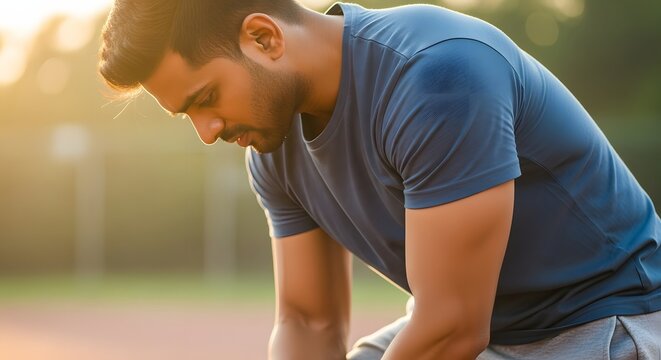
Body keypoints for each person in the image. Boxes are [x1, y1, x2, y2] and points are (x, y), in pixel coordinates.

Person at [98, 1, 661, 359]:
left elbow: (451, 329)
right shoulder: (271, 145)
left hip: (608, 320)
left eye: (207, 99)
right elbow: (307, 321)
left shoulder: (438, 76)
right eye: (188, 115)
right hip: (491, 332)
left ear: (264, 38)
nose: (207, 131)